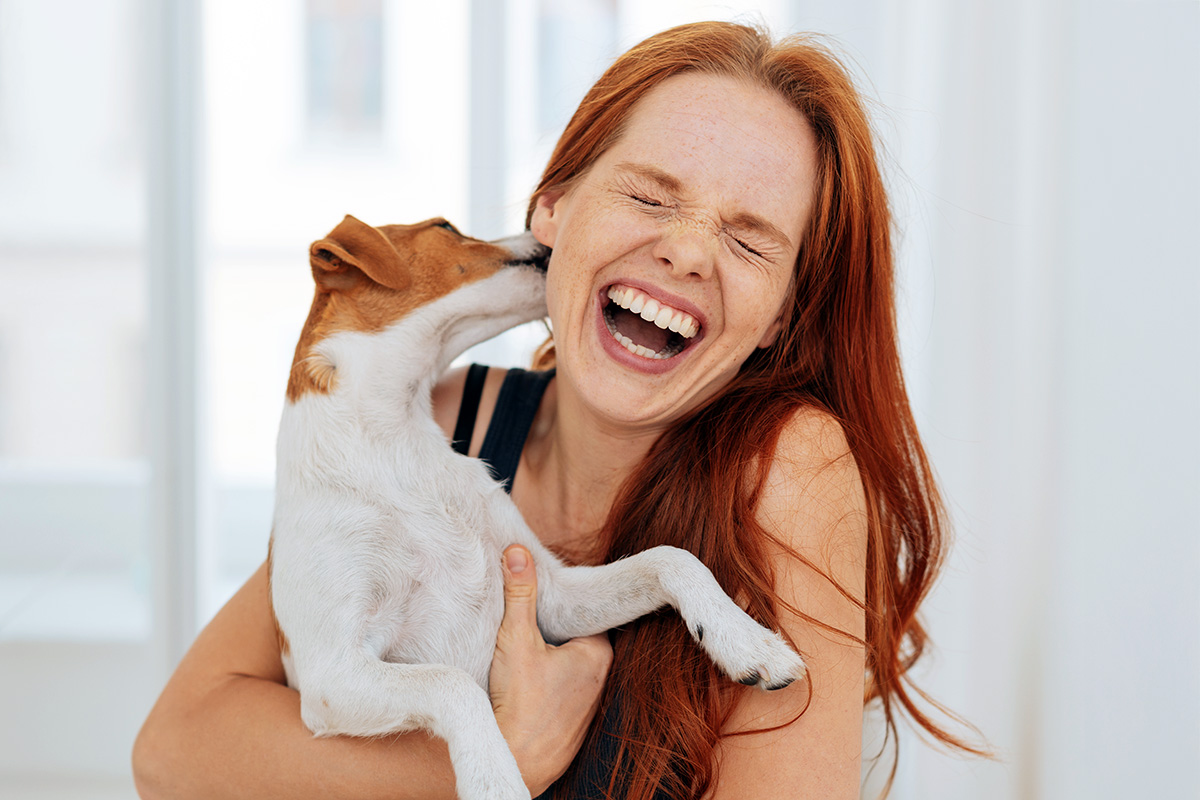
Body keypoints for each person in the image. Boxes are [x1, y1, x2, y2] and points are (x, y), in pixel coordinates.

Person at [133, 20, 979, 800]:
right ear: (552, 209)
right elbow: (176, 747)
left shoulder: (794, 468)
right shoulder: (442, 420)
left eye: (749, 240)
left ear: (785, 315)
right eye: (650, 197)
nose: (686, 250)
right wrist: (499, 750)